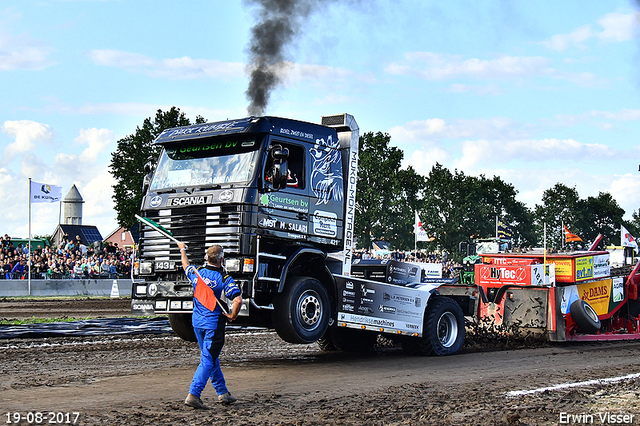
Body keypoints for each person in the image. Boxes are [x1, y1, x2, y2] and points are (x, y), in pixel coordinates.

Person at [178, 241, 242, 410]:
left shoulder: (197, 273)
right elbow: (237, 300)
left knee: (211, 358)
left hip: (197, 323)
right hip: (214, 325)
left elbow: (186, 265)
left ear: (206, 257)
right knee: (208, 359)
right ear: (222, 260)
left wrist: (182, 249)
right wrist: (232, 315)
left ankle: (223, 393)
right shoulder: (224, 278)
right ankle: (194, 394)